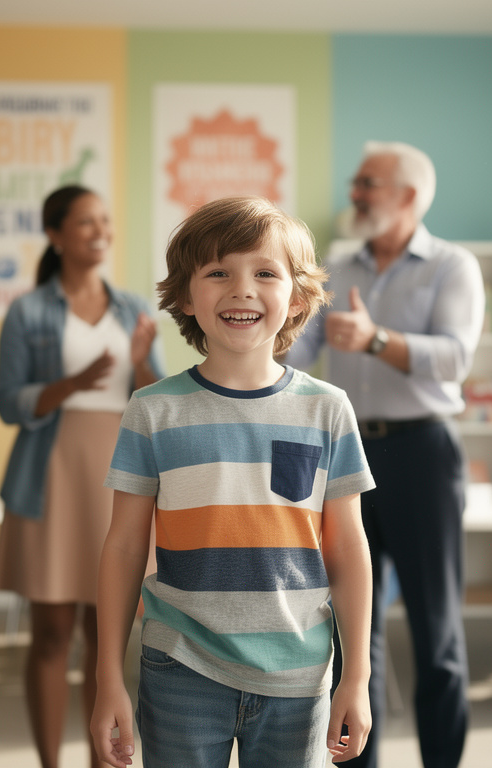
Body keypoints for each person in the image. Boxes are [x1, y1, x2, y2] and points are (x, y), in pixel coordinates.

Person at [92, 196, 375, 768]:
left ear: (296, 297)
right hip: (179, 668)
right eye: (217, 271)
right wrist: (106, 679)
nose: (241, 289)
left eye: (264, 273)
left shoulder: (329, 410)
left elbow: (346, 547)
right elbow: (123, 548)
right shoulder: (152, 411)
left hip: (298, 673)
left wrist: (358, 676)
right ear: (186, 296)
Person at [284, 141, 483, 768]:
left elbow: (455, 358)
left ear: (409, 195)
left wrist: (376, 340)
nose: (355, 192)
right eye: (356, 181)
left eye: (368, 182)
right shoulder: (338, 266)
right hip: (345, 459)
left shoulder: (453, 266)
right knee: (350, 631)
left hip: (424, 454)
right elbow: (297, 350)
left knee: (437, 634)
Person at [0, 184, 164, 768]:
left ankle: (103, 762)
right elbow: (9, 404)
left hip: (119, 479)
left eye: (105, 221)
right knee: (50, 635)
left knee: (108, 645)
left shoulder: (132, 306)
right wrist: (74, 381)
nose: (99, 232)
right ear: (56, 234)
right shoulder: (28, 310)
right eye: (86, 222)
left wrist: (142, 357)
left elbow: (155, 400)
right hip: (52, 478)